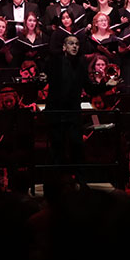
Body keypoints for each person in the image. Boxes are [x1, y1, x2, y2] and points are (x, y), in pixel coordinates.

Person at [44, 35, 116, 166]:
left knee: (77, 147)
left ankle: (79, 182)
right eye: (71, 44)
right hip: (56, 113)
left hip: (73, 113)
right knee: (56, 149)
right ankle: (56, 182)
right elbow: (44, 81)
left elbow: (89, 89)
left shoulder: (81, 66)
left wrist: (106, 85)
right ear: (64, 47)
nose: (75, 46)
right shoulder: (54, 63)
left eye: (77, 44)